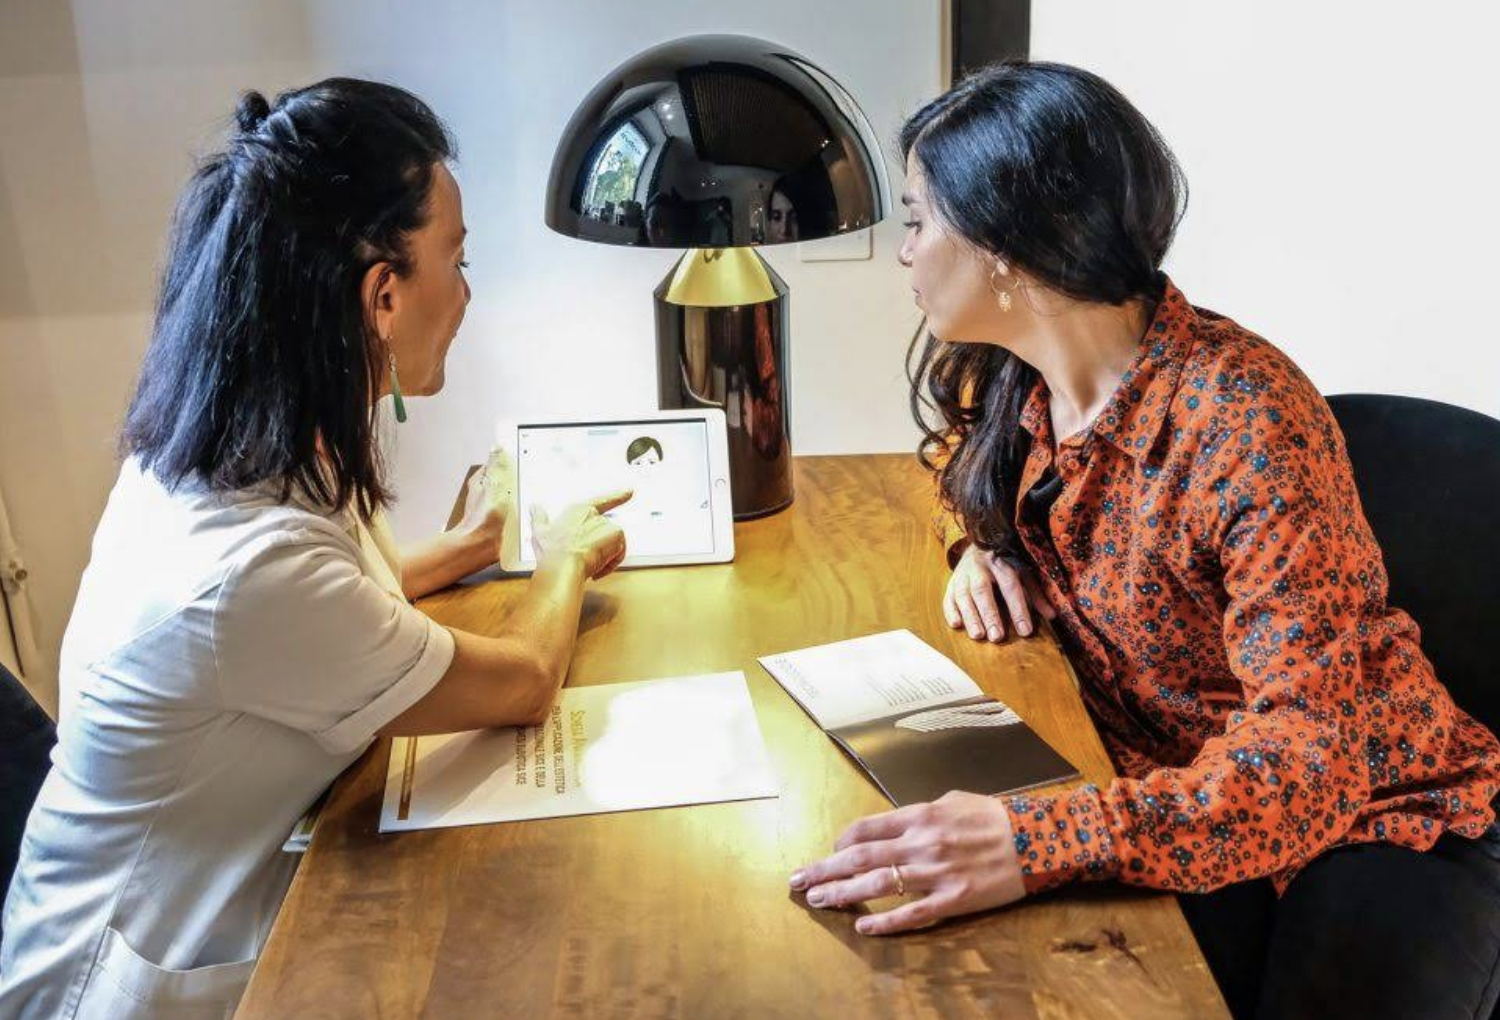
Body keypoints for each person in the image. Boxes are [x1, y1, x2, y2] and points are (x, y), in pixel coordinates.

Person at [790, 61, 1500, 1019]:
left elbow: (1308, 758)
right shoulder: (1011, 376)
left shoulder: (1243, 420)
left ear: (1003, 239)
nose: (903, 253)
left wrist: (1039, 839)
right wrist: (982, 546)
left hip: (1373, 814)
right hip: (1169, 793)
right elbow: (949, 471)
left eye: (917, 220)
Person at [0, 79, 629, 1018]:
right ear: (382, 294)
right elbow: (523, 682)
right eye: (456, 261)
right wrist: (562, 558)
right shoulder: (252, 565)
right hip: (113, 989)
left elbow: (333, 608)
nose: (465, 293)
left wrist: (466, 546)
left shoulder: (230, 446)